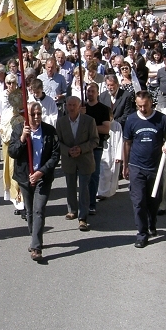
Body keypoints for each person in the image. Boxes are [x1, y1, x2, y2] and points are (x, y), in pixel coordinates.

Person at [8, 101, 60, 261]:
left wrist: (41, 172)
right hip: (24, 177)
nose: (37, 117)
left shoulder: (49, 131)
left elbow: (55, 155)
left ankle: (36, 247)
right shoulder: (18, 130)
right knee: (29, 211)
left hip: (42, 178)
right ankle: (34, 237)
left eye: (39, 114)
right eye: (33, 114)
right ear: (27, 116)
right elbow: (12, 152)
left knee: (39, 210)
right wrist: (23, 138)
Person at [123, 91, 166, 248]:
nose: (142, 109)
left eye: (145, 105)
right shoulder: (131, 120)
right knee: (138, 201)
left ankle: (152, 222)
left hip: (155, 168)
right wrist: (125, 165)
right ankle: (141, 234)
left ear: (151, 102)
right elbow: (127, 143)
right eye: (139, 106)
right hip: (137, 166)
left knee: (154, 201)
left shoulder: (161, 119)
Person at [56, 96, 99, 231]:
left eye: (74, 105)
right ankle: (72, 210)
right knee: (70, 186)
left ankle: (83, 217)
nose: (72, 108)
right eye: (69, 105)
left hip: (85, 160)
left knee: (84, 189)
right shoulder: (61, 122)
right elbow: (57, 142)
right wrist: (67, 151)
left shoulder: (89, 121)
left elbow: (95, 140)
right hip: (69, 160)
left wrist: (81, 149)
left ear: (79, 106)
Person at [84, 82, 112, 215]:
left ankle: (91, 204)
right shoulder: (82, 108)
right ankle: (83, 201)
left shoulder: (103, 109)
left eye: (92, 91)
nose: (90, 93)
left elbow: (105, 128)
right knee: (83, 176)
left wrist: (89, 127)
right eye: (88, 91)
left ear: (97, 93)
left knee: (94, 175)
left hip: (96, 145)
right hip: (82, 146)